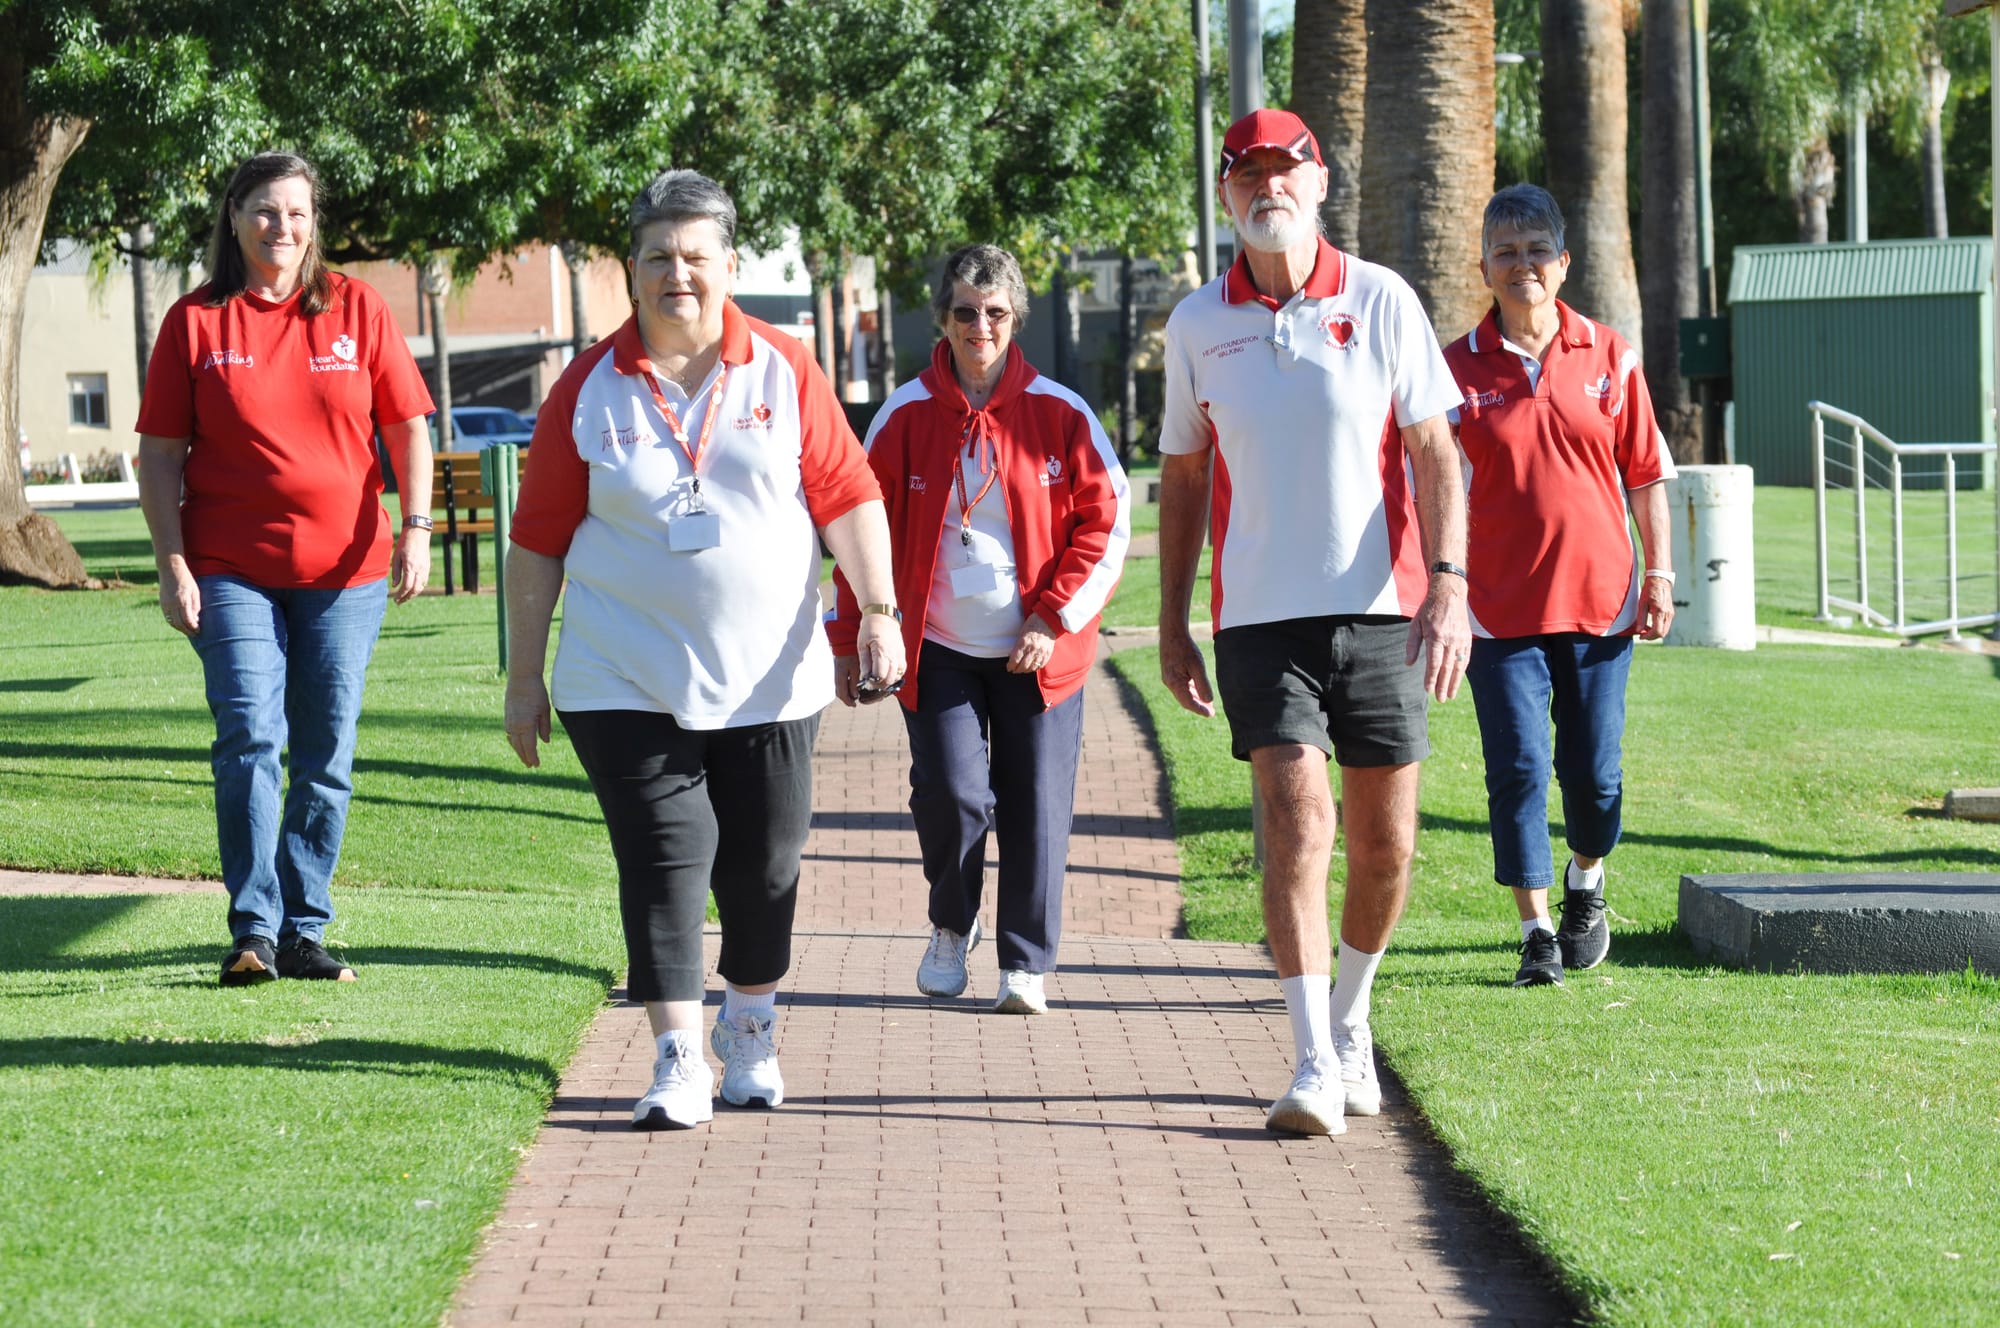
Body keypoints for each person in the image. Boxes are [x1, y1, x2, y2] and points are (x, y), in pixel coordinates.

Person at [503, 169, 902, 1131]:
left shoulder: (782, 368)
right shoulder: (587, 390)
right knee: (665, 856)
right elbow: (537, 542)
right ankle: (679, 1054)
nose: (675, 274)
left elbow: (848, 499)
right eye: (656, 258)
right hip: (623, 672)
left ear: (728, 263)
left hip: (772, 675)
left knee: (765, 866)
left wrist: (877, 610)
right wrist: (525, 677)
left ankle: (750, 1027)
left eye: (694, 257)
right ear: (630, 271)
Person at [1156, 110, 1471, 1138]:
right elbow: (1185, 474)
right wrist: (1169, 620)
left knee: (1385, 847)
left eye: (1283, 170)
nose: (1266, 188)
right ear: (1224, 194)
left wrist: (1450, 583)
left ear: (1318, 181)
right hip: (1257, 617)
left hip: (1382, 609)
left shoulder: (1380, 299)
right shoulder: (1197, 323)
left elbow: (1433, 453)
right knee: (1298, 823)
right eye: (1245, 173)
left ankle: (1348, 1017)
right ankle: (1304, 1059)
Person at [135, 151, 435, 988]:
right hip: (230, 569)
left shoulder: (357, 309)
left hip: (346, 571)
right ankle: (253, 930)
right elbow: (159, 455)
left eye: (298, 213)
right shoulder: (196, 323)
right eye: (266, 211)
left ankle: (306, 929)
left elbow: (408, 426)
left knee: (326, 750)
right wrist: (172, 564)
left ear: (315, 222)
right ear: (233, 218)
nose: (283, 228)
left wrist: (415, 528)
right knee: (249, 740)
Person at [828, 244, 1131, 1015]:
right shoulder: (903, 414)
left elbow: (1108, 524)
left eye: (995, 313)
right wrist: (851, 636)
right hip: (938, 649)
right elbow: (856, 528)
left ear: (1015, 319)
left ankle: (1025, 963)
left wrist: (1053, 614)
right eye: (965, 311)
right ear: (943, 318)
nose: (980, 326)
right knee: (954, 797)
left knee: (1034, 802)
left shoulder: (1061, 412)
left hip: (1038, 649)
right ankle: (949, 923)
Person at [1442, 184, 1676, 988]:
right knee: (1514, 769)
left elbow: (1646, 475)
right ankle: (1536, 930)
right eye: (1505, 252)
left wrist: (1661, 573)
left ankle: (1586, 882)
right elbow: (1428, 488)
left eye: (1536, 249)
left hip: (1601, 602)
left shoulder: (1611, 356)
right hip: (1496, 610)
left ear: (1564, 262)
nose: (1522, 265)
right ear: (1483, 267)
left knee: (1595, 775)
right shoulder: (1452, 372)